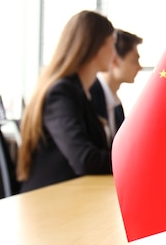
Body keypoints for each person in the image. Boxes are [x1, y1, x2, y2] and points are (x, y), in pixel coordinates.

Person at [17, 10, 115, 192]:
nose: (114, 54)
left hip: (74, 195)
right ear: (95, 47)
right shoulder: (61, 93)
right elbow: (85, 159)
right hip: (51, 203)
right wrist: (134, 161)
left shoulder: (85, 92)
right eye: (112, 44)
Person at [90, 29, 143, 143]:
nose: (140, 67)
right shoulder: (88, 97)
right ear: (115, 60)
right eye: (135, 60)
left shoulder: (117, 106)